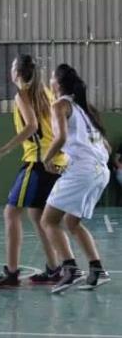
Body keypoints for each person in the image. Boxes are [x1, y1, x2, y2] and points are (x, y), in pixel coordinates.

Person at [0, 55, 67, 287]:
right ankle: (54, 269)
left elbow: (31, 126)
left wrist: (4, 149)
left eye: (12, 66)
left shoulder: (22, 95)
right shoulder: (46, 93)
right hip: (55, 160)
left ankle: (11, 274)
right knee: (38, 215)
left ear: (16, 73)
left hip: (39, 163)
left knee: (11, 214)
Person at [41, 64, 112, 293]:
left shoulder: (60, 104)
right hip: (101, 171)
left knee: (48, 221)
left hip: (83, 170)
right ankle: (97, 269)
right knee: (72, 222)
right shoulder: (85, 108)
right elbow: (107, 148)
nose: (49, 81)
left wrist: (47, 158)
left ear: (58, 83)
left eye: (51, 78)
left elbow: (60, 137)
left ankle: (70, 270)